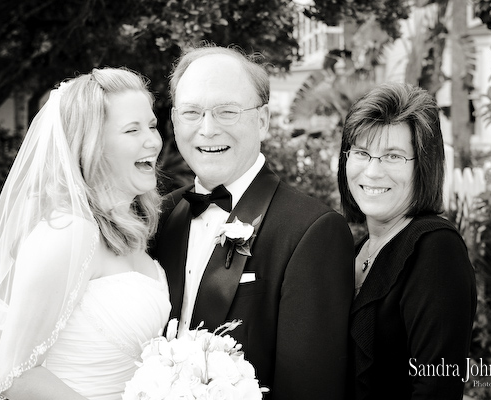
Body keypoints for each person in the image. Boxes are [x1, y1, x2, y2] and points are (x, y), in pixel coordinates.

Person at [152, 44, 354, 399]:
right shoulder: (158, 217)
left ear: (262, 121)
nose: (208, 129)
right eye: (192, 112)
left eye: (227, 111)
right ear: (174, 122)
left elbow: (310, 389)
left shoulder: (313, 231)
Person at [0, 67, 170, 400]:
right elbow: (13, 377)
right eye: (132, 130)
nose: (153, 140)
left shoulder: (129, 230)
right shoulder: (67, 233)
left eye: (151, 125)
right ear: (92, 144)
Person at [337, 82, 477, 399]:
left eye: (393, 156)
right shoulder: (358, 250)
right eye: (361, 152)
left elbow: (436, 387)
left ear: (423, 167)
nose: (372, 172)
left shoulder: (435, 249)